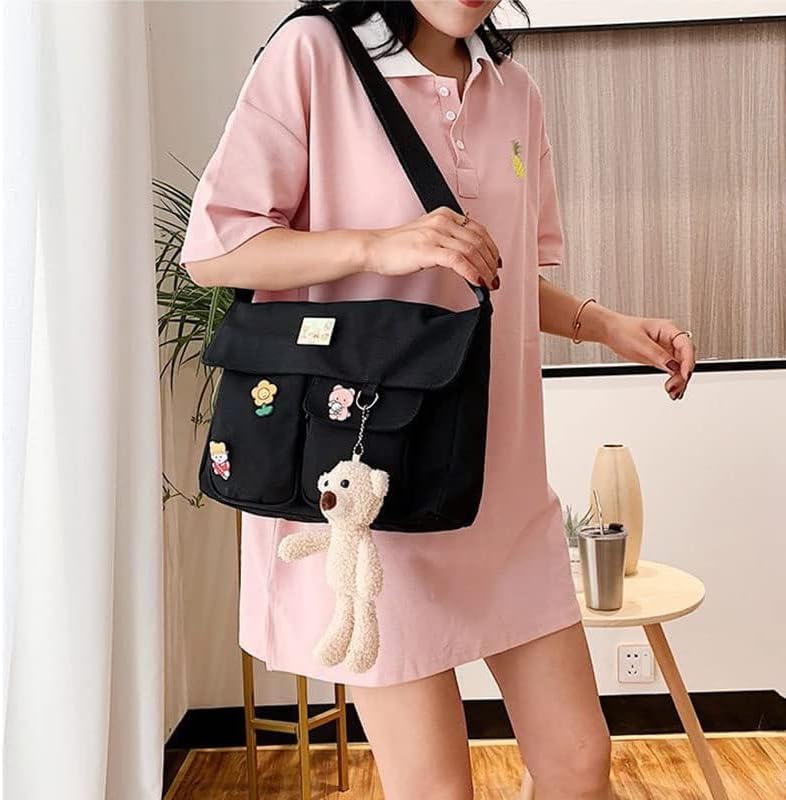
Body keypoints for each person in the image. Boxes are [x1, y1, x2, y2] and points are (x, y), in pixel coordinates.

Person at [180, 2, 697, 798]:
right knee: (436, 788)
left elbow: (493, 276)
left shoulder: (514, 92)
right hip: (378, 490)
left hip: (502, 492)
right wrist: (381, 246)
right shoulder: (315, 52)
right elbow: (216, 251)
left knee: (577, 763)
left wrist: (605, 326)